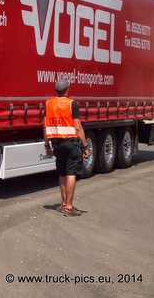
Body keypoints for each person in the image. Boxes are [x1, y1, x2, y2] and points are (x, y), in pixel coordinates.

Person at [44, 79, 89, 216]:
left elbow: (45, 126)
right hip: (70, 143)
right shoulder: (72, 104)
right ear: (67, 89)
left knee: (62, 173)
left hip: (56, 144)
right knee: (71, 174)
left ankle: (63, 203)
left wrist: (47, 145)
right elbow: (78, 127)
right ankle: (69, 206)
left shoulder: (49, 103)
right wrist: (85, 146)